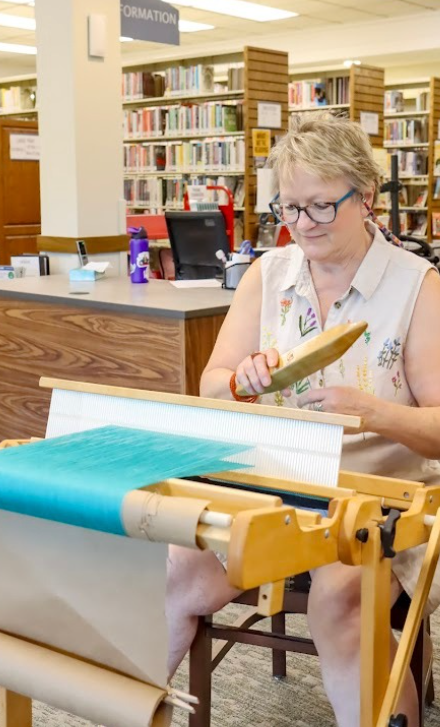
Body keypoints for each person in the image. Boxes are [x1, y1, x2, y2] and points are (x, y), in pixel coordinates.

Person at [165, 113, 440, 727]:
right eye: (287, 208)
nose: (300, 225)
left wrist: (374, 411)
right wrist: (244, 380)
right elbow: (213, 383)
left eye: (319, 206)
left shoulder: (418, 287)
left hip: (375, 499)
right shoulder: (269, 273)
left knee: (344, 599)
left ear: (364, 197)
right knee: (179, 569)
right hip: (274, 482)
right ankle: (126, 710)